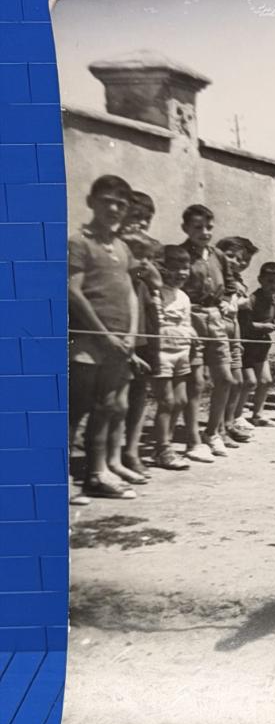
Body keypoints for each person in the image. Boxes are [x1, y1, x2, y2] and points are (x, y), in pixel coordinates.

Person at [68, 175, 146, 502]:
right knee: (78, 407)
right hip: (90, 342)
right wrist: (104, 335)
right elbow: (72, 291)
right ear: (91, 202)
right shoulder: (78, 242)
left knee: (110, 406)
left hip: (119, 343)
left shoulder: (122, 246)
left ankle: (98, 472)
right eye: (106, 201)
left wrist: (128, 335)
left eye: (121, 204)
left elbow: (129, 293)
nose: (113, 208)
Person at [177, 204, 236, 462]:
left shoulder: (218, 256)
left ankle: (213, 432)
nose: (204, 232)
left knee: (225, 378)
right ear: (185, 228)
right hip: (191, 317)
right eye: (198, 227)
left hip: (216, 318)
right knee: (196, 382)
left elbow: (231, 284)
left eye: (209, 227)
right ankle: (193, 440)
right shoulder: (180, 254)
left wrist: (228, 300)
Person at [119, 229, 164, 480]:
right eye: (140, 255)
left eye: (149, 257)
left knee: (138, 399)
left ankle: (131, 452)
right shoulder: (115, 282)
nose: (145, 262)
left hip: (142, 343)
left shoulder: (142, 284)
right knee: (115, 403)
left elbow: (156, 282)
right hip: (119, 345)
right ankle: (109, 457)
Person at [152, 245, 199, 471]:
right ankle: (163, 448)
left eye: (185, 268)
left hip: (182, 352)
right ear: (162, 268)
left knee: (180, 400)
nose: (181, 273)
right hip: (162, 352)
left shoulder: (184, 296)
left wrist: (192, 336)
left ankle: (165, 443)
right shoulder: (157, 292)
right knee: (166, 401)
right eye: (175, 268)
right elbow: (158, 322)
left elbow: (187, 324)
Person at [216, 236, 259, 441]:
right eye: (231, 256)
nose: (238, 263)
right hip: (217, 331)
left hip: (234, 333)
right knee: (225, 381)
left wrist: (238, 341)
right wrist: (241, 303)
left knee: (238, 381)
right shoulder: (218, 277)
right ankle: (216, 429)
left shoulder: (237, 281)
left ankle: (228, 422)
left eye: (244, 260)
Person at [239, 261, 275, 427]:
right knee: (249, 382)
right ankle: (236, 416)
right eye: (269, 281)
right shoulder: (252, 299)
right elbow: (244, 325)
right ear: (260, 280)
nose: (273, 286)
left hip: (262, 345)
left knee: (266, 380)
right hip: (247, 345)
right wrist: (265, 326)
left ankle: (257, 415)